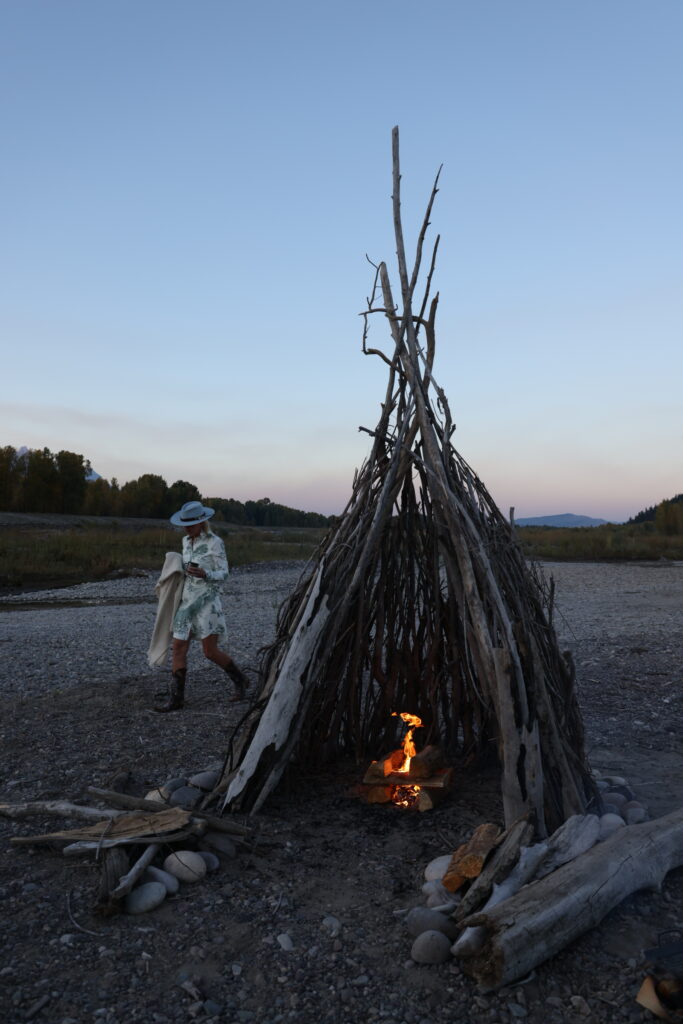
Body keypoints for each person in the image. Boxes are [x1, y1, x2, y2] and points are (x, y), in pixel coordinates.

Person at [155, 500, 249, 712]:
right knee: (178, 647)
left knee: (209, 651)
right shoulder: (185, 542)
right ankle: (176, 699)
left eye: (191, 524)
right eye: (184, 523)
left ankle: (241, 680)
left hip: (207, 601)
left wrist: (206, 574)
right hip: (186, 601)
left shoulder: (216, 542)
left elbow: (224, 573)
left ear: (201, 521)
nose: (187, 527)